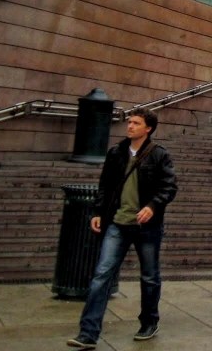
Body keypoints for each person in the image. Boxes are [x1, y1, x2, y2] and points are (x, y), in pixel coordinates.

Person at [67, 108, 177, 349]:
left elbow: (169, 188)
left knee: (149, 277)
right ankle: (88, 333)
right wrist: (98, 212)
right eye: (129, 122)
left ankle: (149, 322)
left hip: (146, 226)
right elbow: (105, 185)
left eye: (136, 123)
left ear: (148, 128)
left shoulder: (159, 155)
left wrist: (152, 206)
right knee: (101, 275)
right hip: (117, 223)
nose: (129, 126)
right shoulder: (116, 153)